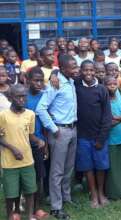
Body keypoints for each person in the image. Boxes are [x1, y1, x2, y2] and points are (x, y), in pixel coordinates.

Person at [36, 55, 78, 219]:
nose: (76, 69)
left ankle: (66, 197)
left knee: (69, 168)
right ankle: (56, 206)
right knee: (57, 171)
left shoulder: (71, 81)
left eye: (76, 66)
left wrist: (54, 72)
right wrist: (53, 129)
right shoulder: (55, 83)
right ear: (62, 68)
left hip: (73, 128)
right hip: (60, 131)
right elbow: (41, 108)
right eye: (72, 67)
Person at [0, 84, 45, 220]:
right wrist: (12, 149)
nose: (22, 99)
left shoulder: (30, 114)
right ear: (11, 98)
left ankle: (30, 215)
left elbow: (30, 135)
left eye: (24, 96)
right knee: (11, 193)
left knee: (30, 190)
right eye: (18, 97)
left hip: (27, 160)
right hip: (9, 162)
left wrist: (39, 141)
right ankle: (11, 215)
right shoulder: (3, 115)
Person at [74, 60, 111, 207]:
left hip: (99, 136)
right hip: (83, 135)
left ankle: (101, 193)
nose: (88, 73)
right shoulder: (76, 86)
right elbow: (67, 75)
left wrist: (101, 138)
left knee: (101, 166)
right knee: (87, 167)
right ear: (81, 71)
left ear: (95, 71)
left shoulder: (101, 89)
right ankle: (93, 194)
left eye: (91, 70)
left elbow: (107, 116)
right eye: (85, 70)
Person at [25, 67, 49, 219]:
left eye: (41, 80)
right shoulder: (22, 96)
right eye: (36, 80)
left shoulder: (44, 97)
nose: (39, 83)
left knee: (38, 176)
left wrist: (46, 145)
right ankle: (23, 205)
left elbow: (46, 122)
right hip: (23, 143)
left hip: (39, 143)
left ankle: (37, 207)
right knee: (25, 176)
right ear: (28, 80)